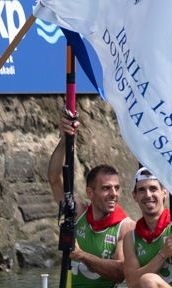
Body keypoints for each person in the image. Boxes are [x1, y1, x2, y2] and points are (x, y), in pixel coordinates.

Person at [47, 112, 133, 287]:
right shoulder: (78, 213)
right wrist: (64, 140)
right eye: (106, 188)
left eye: (116, 188)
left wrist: (82, 255)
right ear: (90, 193)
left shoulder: (125, 227)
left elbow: (120, 273)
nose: (114, 194)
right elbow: (55, 178)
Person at [121, 168, 172, 287]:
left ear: (164, 193)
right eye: (142, 190)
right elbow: (132, 282)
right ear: (135, 196)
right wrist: (163, 254)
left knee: (149, 280)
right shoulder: (130, 238)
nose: (148, 195)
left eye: (153, 189)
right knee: (148, 280)